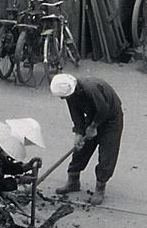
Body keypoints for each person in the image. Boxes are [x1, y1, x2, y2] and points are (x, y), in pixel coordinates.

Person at [49, 73, 123, 206]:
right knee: (81, 149)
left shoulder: (91, 89)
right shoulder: (71, 96)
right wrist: (78, 132)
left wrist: (93, 127)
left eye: (63, 96)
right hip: (92, 115)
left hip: (111, 119)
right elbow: (76, 114)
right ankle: (73, 181)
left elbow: (103, 109)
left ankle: (100, 187)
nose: (61, 99)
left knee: (107, 154)